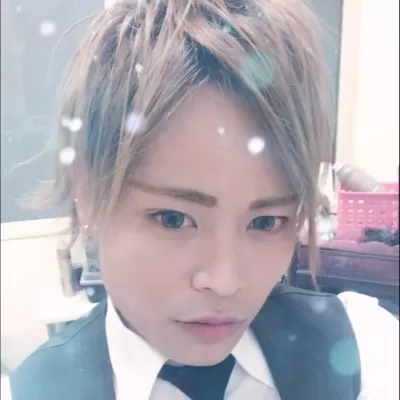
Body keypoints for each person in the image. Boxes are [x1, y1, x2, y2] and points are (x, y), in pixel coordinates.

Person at [10, 0, 398, 399]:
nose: (225, 282)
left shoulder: (367, 350)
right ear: (87, 194)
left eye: (266, 222)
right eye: (173, 219)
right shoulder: (36, 391)